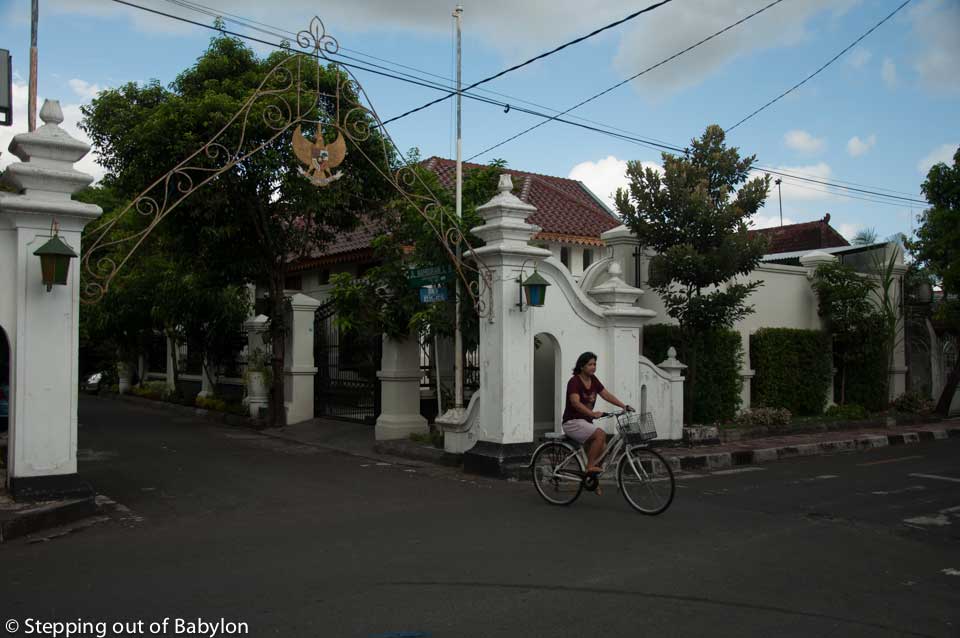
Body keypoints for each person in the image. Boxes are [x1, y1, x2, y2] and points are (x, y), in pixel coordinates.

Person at [561, 351, 633, 477]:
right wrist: (592, 413)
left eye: (595, 364)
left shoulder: (593, 380)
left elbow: (606, 395)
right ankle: (589, 467)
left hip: (585, 423)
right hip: (572, 422)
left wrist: (623, 406)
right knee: (600, 434)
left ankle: (592, 479)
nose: (593, 367)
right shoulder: (574, 381)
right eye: (590, 364)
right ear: (582, 366)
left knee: (603, 448)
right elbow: (575, 403)